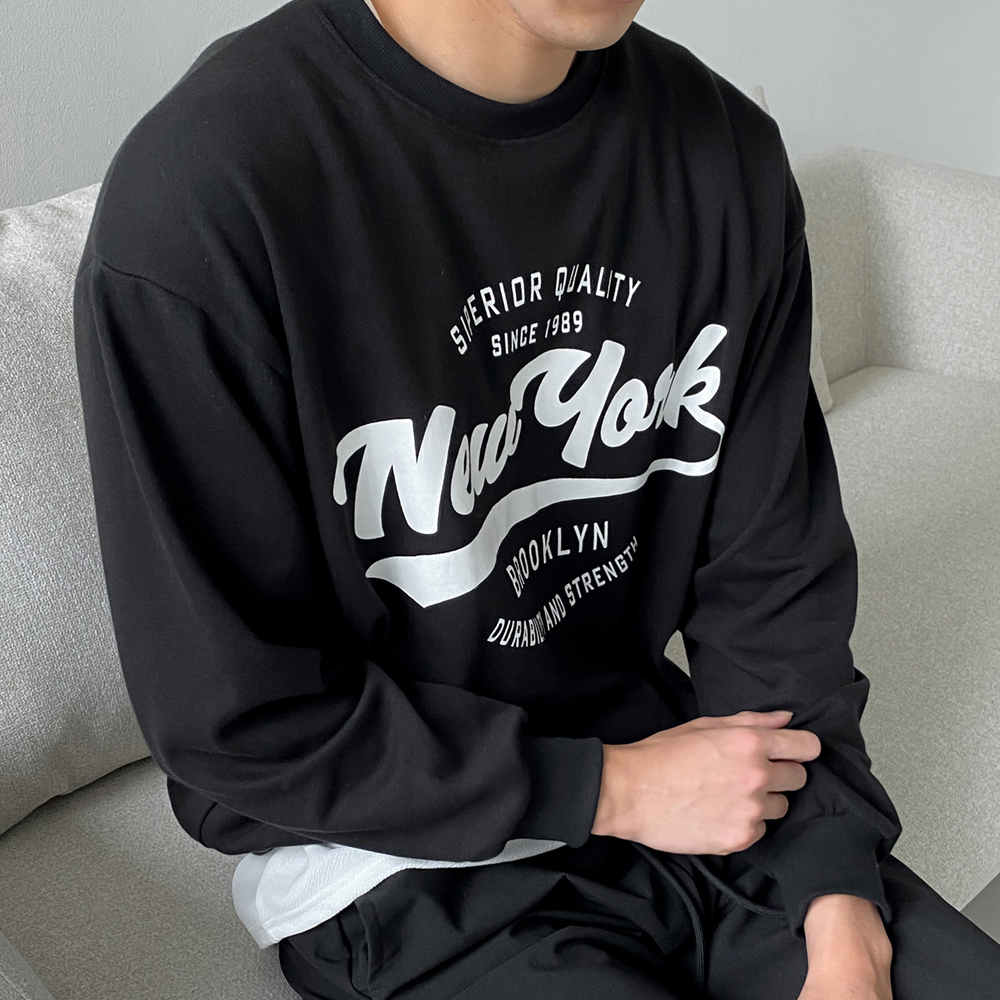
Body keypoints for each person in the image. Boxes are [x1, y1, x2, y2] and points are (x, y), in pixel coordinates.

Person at [72, 0, 1000, 997]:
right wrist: (614, 787)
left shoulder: (720, 152)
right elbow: (238, 724)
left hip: (694, 785)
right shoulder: (205, 198)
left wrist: (836, 893)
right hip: (395, 865)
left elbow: (771, 584)